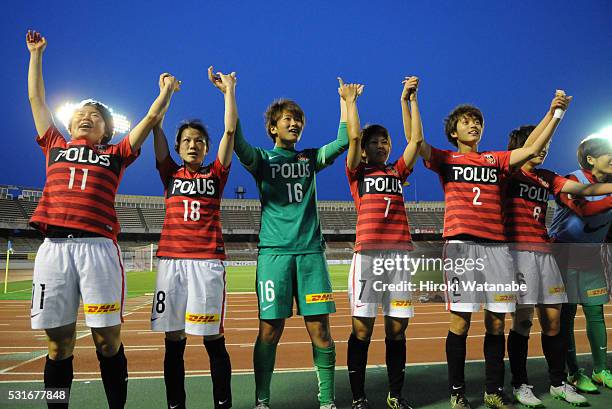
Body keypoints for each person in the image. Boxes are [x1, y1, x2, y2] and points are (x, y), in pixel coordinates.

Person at [26, 30, 179, 409]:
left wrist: (166, 91)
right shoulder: (54, 145)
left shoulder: (117, 153)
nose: (86, 116)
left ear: (106, 131)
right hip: (54, 249)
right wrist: (36, 55)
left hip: (97, 248)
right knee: (58, 346)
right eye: (81, 113)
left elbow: (151, 118)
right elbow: (36, 98)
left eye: (95, 116)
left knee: (107, 342)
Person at [420, 90, 571, 409]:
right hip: (461, 246)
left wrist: (554, 112)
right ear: (453, 132)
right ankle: (457, 392)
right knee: (460, 322)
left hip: (498, 250)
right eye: (466, 121)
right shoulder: (447, 159)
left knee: (497, 322)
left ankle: (492, 390)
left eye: (477, 121)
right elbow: (416, 142)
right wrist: (411, 100)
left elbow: (532, 147)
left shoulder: (496, 160)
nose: (473, 125)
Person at [233, 78, 357, 409]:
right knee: (269, 331)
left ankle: (327, 401)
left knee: (321, 330)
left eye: (298, 119)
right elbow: (236, 140)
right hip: (274, 256)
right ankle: (262, 400)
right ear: (273, 127)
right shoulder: (261, 159)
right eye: (287, 119)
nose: (294, 123)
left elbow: (344, 140)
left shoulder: (309, 158)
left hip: (311, 256)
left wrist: (346, 101)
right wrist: (230, 93)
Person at [503, 121, 612, 406]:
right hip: (519, 254)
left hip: (546, 254)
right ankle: (520, 383)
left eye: (547, 145)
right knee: (523, 321)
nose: (544, 149)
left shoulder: (547, 177)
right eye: (538, 143)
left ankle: (558, 382)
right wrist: (555, 113)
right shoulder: (508, 173)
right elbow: (584, 206)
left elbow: (586, 192)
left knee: (553, 322)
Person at [150, 66, 238, 409]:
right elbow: (155, 122)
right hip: (170, 263)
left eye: (199, 141)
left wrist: (228, 90)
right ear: (178, 146)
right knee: (174, 342)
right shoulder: (169, 172)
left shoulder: (216, 174)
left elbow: (230, 131)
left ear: (206, 148)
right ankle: (176, 405)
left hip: (206, 263)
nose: (193, 145)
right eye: (186, 140)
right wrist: (166, 92)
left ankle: (223, 404)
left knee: (213, 340)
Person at [344, 77, 422, 409]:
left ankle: (395, 394)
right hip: (368, 256)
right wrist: (351, 103)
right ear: (364, 148)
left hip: (399, 257)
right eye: (374, 142)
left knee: (397, 331)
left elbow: (416, 139)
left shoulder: (398, 173)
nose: (381, 146)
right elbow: (352, 136)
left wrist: (410, 100)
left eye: (385, 141)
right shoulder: (356, 172)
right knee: (362, 330)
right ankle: (359, 396)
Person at [549, 135, 612, 393]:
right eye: (610, 155)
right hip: (563, 255)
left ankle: (600, 369)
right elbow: (584, 210)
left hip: (591, 256)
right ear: (591, 159)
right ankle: (574, 373)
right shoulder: (572, 180)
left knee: (595, 312)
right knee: (567, 316)